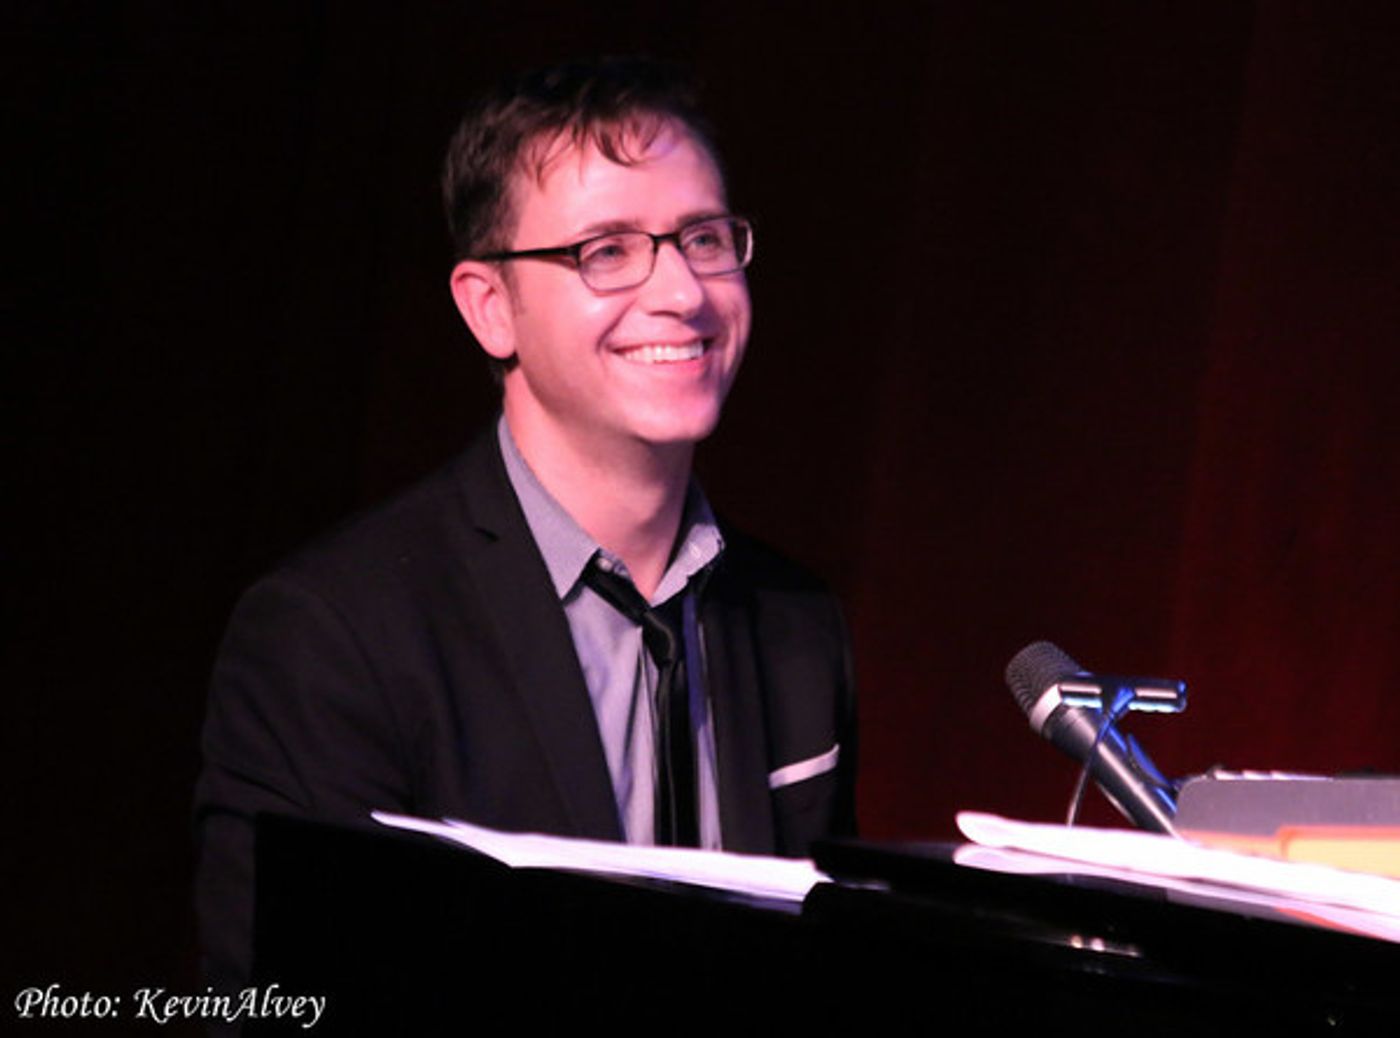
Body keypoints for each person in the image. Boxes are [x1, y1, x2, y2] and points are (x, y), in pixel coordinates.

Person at [194, 56, 857, 993]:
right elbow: (275, 999)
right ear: (489, 307)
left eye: (702, 237)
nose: (683, 293)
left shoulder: (796, 621)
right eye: (609, 250)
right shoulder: (335, 634)